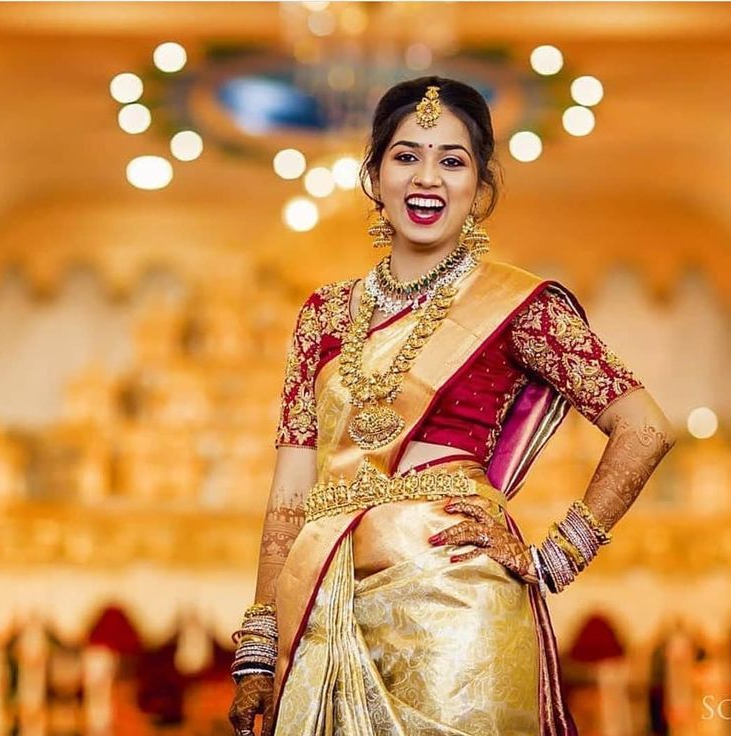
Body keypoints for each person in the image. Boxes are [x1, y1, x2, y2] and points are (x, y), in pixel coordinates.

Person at [228, 76, 676, 736]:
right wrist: (258, 651)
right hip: (326, 604)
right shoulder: (322, 317)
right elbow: (291, 495)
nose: (427, 178)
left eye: (452, 160)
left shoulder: (519, 309)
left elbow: (645, 426)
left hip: (459, 613)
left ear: (478, 184)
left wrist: (553, 557)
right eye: (407, 156)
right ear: (374, 175)